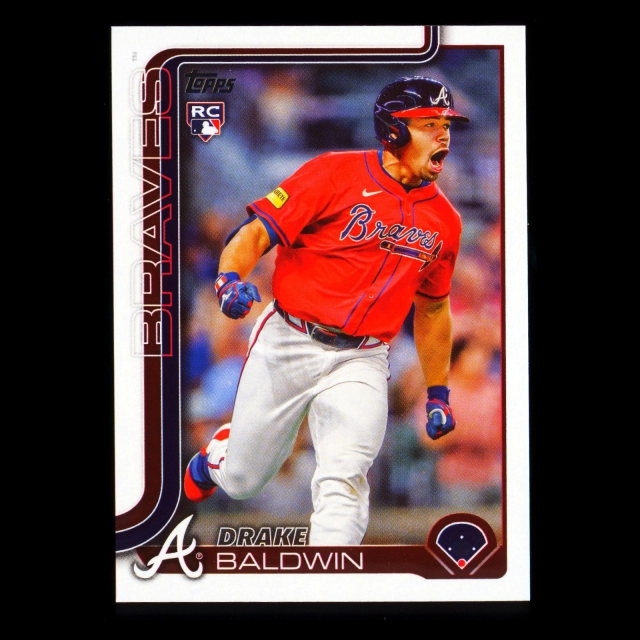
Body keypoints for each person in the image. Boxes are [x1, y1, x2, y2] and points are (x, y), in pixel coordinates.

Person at [183, 76, 470, 545]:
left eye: (447, 125)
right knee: (244, 478)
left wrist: (438, 391)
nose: (444, 137)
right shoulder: (332, 173)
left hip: (363, 357)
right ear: (394, 130)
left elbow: (434, 310)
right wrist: (229, 278)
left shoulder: (446, 222)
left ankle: (330, 576)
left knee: (345, 475)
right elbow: (256, 232)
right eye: (429, 125)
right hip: (290, 338)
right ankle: (218, 456)